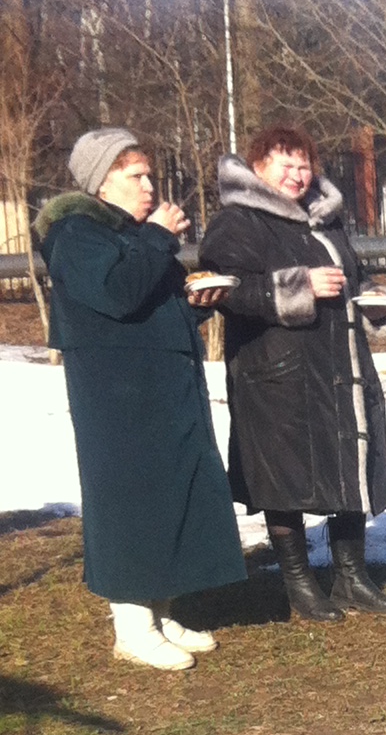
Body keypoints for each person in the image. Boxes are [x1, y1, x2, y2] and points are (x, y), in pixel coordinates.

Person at [34, 128, 244, 669]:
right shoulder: (75, 232)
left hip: (162, 388)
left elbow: (151, 306)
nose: (150, 185)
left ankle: (162, 612)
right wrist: (157, 238)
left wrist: (197, 304)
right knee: (131, 502)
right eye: (136, 176)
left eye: (149, 174)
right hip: (117, 399)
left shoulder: (133, 234)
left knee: (170, 494)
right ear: (102, 183)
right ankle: (132, 628)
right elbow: (118, 293)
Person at [196, 124, 386, 624]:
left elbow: (352, 277)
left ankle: (351, 576)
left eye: (304, 165)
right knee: (282, 476)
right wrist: (298, 285)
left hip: (339, 365)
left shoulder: (324, 219)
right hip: (276, 372)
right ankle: (299, 584)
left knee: (349, 460)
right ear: (258, 168)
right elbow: (227, 291)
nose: (297, 175)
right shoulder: (237, 222)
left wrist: (374, 297)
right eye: (284, 165)